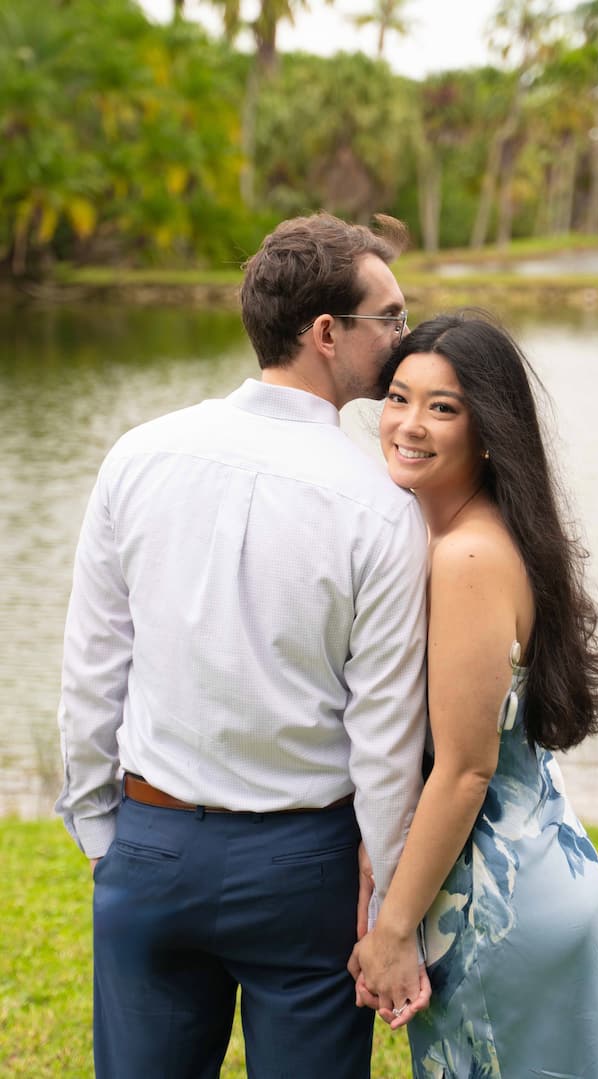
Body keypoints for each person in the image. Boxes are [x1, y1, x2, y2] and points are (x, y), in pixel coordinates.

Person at [55, 212, 431, 1079]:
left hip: (150, 846)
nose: (404, 338)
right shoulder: (382, 507)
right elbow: (382, 738)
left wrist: (104, 835)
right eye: (390, 318)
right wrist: (387, 906)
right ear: (327, 333)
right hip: (305, 869)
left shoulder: (137, 455)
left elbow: (91, 669)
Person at [349, 312, 598, 1078]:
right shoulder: (471, 531)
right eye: (398, 397)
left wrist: (392, 930)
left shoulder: (469, 556)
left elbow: (465, 768)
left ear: (488, 431)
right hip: (535, 869)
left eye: (443, 407)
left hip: (495, 908)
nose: (409, 424)